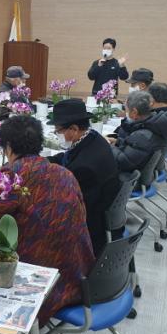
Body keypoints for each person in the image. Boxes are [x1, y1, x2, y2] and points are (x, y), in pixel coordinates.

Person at [0, 116, 95, 326]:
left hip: (45, 283)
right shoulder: (64, 173)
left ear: (8, 146)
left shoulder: (14, 176)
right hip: (78, 275)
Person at [47, 99, 121, 255]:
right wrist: (42, 161)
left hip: (90, 225)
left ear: (74, 129)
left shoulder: (84, 167)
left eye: (58, 131)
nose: (57, 134)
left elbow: (70, 203)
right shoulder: (92, 137)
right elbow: (66, 157)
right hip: (99, 204)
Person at [109, 91, 167, 172]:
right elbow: (136, 147)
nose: (125, 113)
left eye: (126, 110)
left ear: (134, 112)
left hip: (127, 175)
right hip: (139, 166)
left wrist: (109, 146)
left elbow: (123, 162)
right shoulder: (155, 124)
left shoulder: (142, 135)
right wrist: (118, 141)